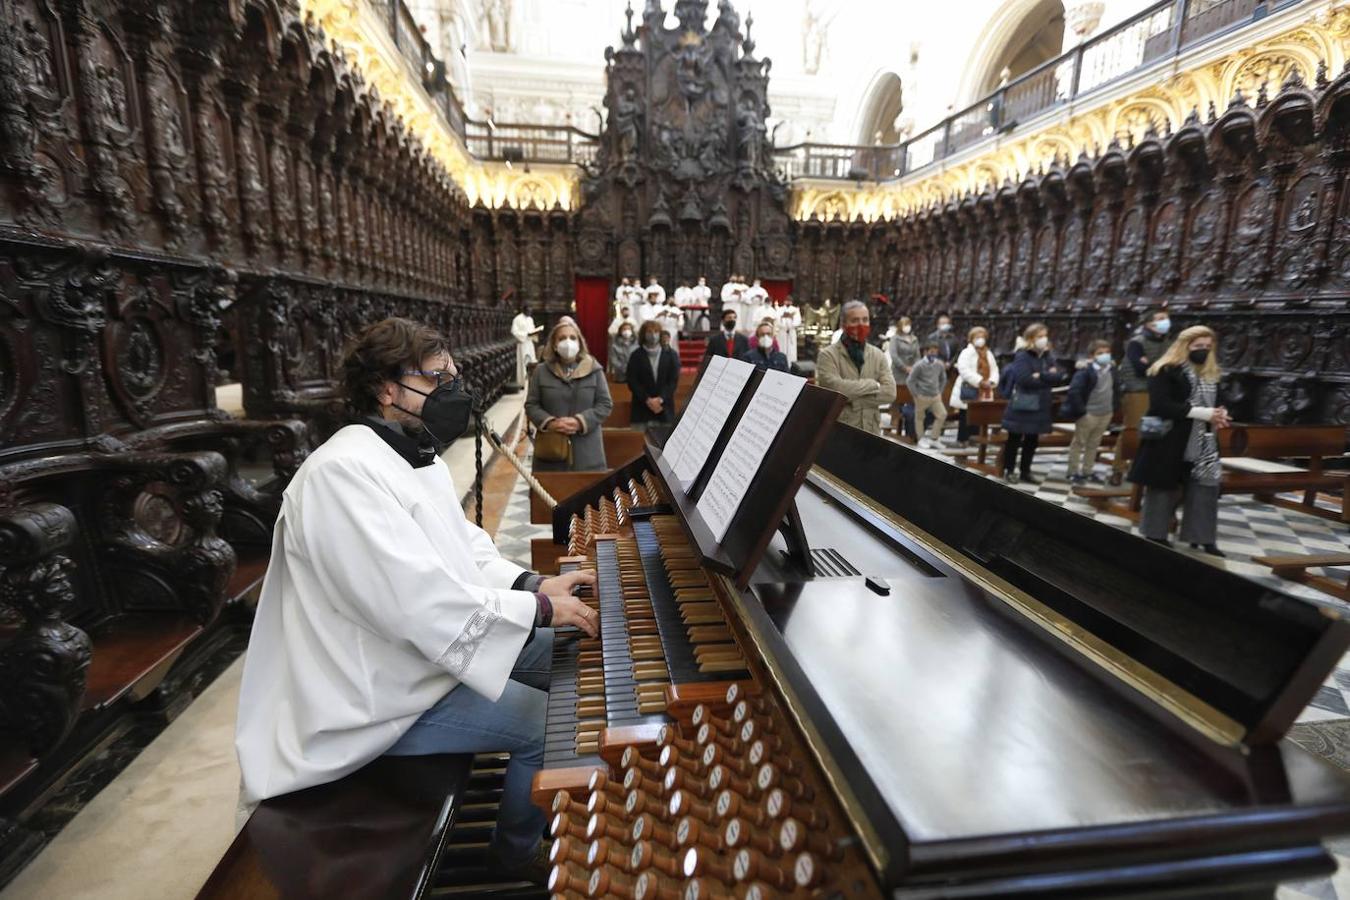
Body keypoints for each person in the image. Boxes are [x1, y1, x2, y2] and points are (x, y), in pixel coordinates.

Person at [235, 317, 600, 883]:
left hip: (418, 659)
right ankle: (515, 852)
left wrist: (534, 588)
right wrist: (539, 611)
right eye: (437, 378)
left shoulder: (406, 453)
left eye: (453, 374)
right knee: (541, 720)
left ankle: (569, 803)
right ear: (386, 387)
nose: (453, 390)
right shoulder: (341, 475)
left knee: (571, 655)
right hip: (372, 693)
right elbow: (414, 605)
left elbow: (464, 550)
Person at [1129, 326, 1230, 556]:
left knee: (1206, 487)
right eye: (1198, 347)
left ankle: (1203, 538)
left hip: (1205, 440)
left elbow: (1219, 400)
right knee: (1163, 488)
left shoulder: (1211, 373)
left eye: (1207, 347)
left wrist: (1221, 413)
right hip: (1170, 439)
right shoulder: (1164, 370)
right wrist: (1204, 413)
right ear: (1185, 346)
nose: (1203, 351)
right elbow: (1161, 405)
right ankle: (1155, 533)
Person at [526, 320, 613, 472]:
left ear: (579, 342)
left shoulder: (594, 369)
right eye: (562, 338)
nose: (568, 342)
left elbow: (605, 404)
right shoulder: (541, 371)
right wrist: (550, 422)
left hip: (588, 452)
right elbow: (531, 405)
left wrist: (580, 421)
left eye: (573, 338)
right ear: (554, 344)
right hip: (551, 452)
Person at [998, 322, 1067, 485]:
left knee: (1032, 440)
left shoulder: (1047, 356)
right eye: (1040, 336)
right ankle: (1009, 470)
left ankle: (1025, 471)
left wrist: (1040, 375)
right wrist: (1046, 377)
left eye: (1045, 336)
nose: (1044, 339)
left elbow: (1059, 376)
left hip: (1041, 405)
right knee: (1014, 439)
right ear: (1030, 338)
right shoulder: (1022, 355)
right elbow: (1024, 379)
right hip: (1023, 404)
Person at [815, 300, 896, 434]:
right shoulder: (828, 355)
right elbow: (835, 390)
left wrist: (853, 402)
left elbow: (890, 393)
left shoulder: (877, 354)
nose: (861, 325)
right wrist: (872, 385)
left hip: (871, 430)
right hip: (841, 430)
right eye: (855, 321)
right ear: (843, 324)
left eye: (865, 320)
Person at [1116, 309, 1174, 484]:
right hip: (1137, 391)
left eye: (1166, 318)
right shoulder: (1137, 342)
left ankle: (1140, 468)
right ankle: (1118, 469)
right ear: (1149, 323)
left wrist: (1154, 366)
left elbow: (1170, 367)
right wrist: (1161, 367)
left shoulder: (1168, 342)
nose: (1165, 321)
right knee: (1134, 430)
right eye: (1160, 318)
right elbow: (1141, 369)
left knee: (1154, 431)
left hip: (1159, 392)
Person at [1063, 340, 1121, 484]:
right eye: (1100, 353)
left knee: (1094, 444)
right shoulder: (1085, 371)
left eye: (1107, 353)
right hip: (1089, 413)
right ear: (1092, 356)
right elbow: (1074, 391)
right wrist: (1082, 411)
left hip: (1106, 412)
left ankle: (1087, 471)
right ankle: (1073, 471)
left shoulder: (1112, 369)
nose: (1105, 356)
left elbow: (1116, 389)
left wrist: (1114, 407)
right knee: (1079, 443)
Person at [950, 326, 999, 447]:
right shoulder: (966, 352)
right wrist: (980, 381)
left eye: (983, 337)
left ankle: (976, 439)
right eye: (978, 337)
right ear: (971, 339)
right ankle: (963, 439)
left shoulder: (988, 353)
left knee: (979, 415)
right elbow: (964, 370)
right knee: (965, 415)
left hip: (985, 389)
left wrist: (992, 381)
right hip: (969, 387)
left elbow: (994, 369)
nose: (981, 340)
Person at [627, 320, 680, 429]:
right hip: (641, 408)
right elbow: (632, 381)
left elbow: (673, 381)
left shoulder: (671, 355)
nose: (653, 335)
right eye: (649, 332)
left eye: (656, 331)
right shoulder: (636, 355)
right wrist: (648, 400)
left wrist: (660, 399)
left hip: (664, 408)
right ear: (643, 334)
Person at [908, 341, 949, 449]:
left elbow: (943, 379)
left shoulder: (939, 364)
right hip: (922, 396)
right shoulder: (919, 365)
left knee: (942, 414)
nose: (934, 354)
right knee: (920, 418)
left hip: (935, 396)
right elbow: (910, 381)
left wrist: (940, 391)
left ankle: (933, 439)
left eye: (935, 352)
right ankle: (920, 439)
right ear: (925, 352)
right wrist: (916, 394)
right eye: (931, 351)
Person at [888, 316, 920, 437]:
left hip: (912, 372)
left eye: (908, 324)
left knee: (910, 397)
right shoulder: (895, 339)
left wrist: (915, 367)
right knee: (898, 397)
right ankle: (895, 421)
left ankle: (909, 427)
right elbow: (894, 355)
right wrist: (904, 367)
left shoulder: (914, 339)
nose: (907, 327)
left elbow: (918, 355)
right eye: (905, 324)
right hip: (899, 372)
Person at [509, 305, 541, 386]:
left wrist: (535, 332)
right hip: (522, 344)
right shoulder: (517, 319)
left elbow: (532, 329)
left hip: (529, 343)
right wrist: (526, 334)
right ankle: (522, 383)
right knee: (523, 363)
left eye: (531, 311)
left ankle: (531, 382)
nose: (530, 313)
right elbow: (514, 331)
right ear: (524, 310)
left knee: (531, 362)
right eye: (528, 311)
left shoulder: (530, 319)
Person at [775, 296, 801, 367]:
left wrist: (791, 318)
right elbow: (777, 320)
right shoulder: (780, 309)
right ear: (784, 301)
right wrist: (782, 317)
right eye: (787, 301)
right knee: (782, 348)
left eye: (789, 301)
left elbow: (798, 321)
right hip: (782, 331)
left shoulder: (795, 310)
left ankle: (790, 365)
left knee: (791, 350)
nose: (788, 302)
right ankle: (780, 364)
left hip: (791, 331)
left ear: (791, 302)